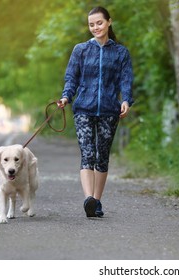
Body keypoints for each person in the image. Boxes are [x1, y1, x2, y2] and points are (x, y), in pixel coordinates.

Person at [58, 6, 134, 218]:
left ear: (109, 22)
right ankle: (88, 199)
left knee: (102, 157)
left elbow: (125, 79)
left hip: (110, 110)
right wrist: (66, 97)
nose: (95, 27)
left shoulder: (120, 53)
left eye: (99, 23)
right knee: (87, 154)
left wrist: (126, 99)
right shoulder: (80, 50)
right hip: (83, 108)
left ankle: (97, 201)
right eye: (91, 24)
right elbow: (71, 78)